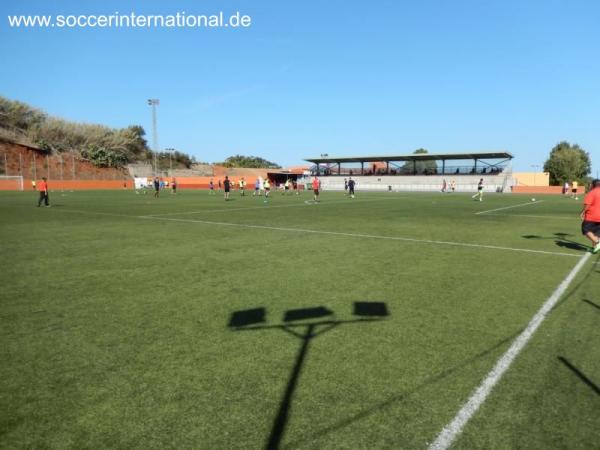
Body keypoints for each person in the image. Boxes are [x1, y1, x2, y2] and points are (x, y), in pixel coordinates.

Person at [581, 179, 600, 253]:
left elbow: (587, 204)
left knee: (585, 229)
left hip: (592, 216)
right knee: (596, 233)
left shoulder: (592, 192)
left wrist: (582, 212)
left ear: (593, 185)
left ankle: (597, 242)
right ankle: (594, 247)